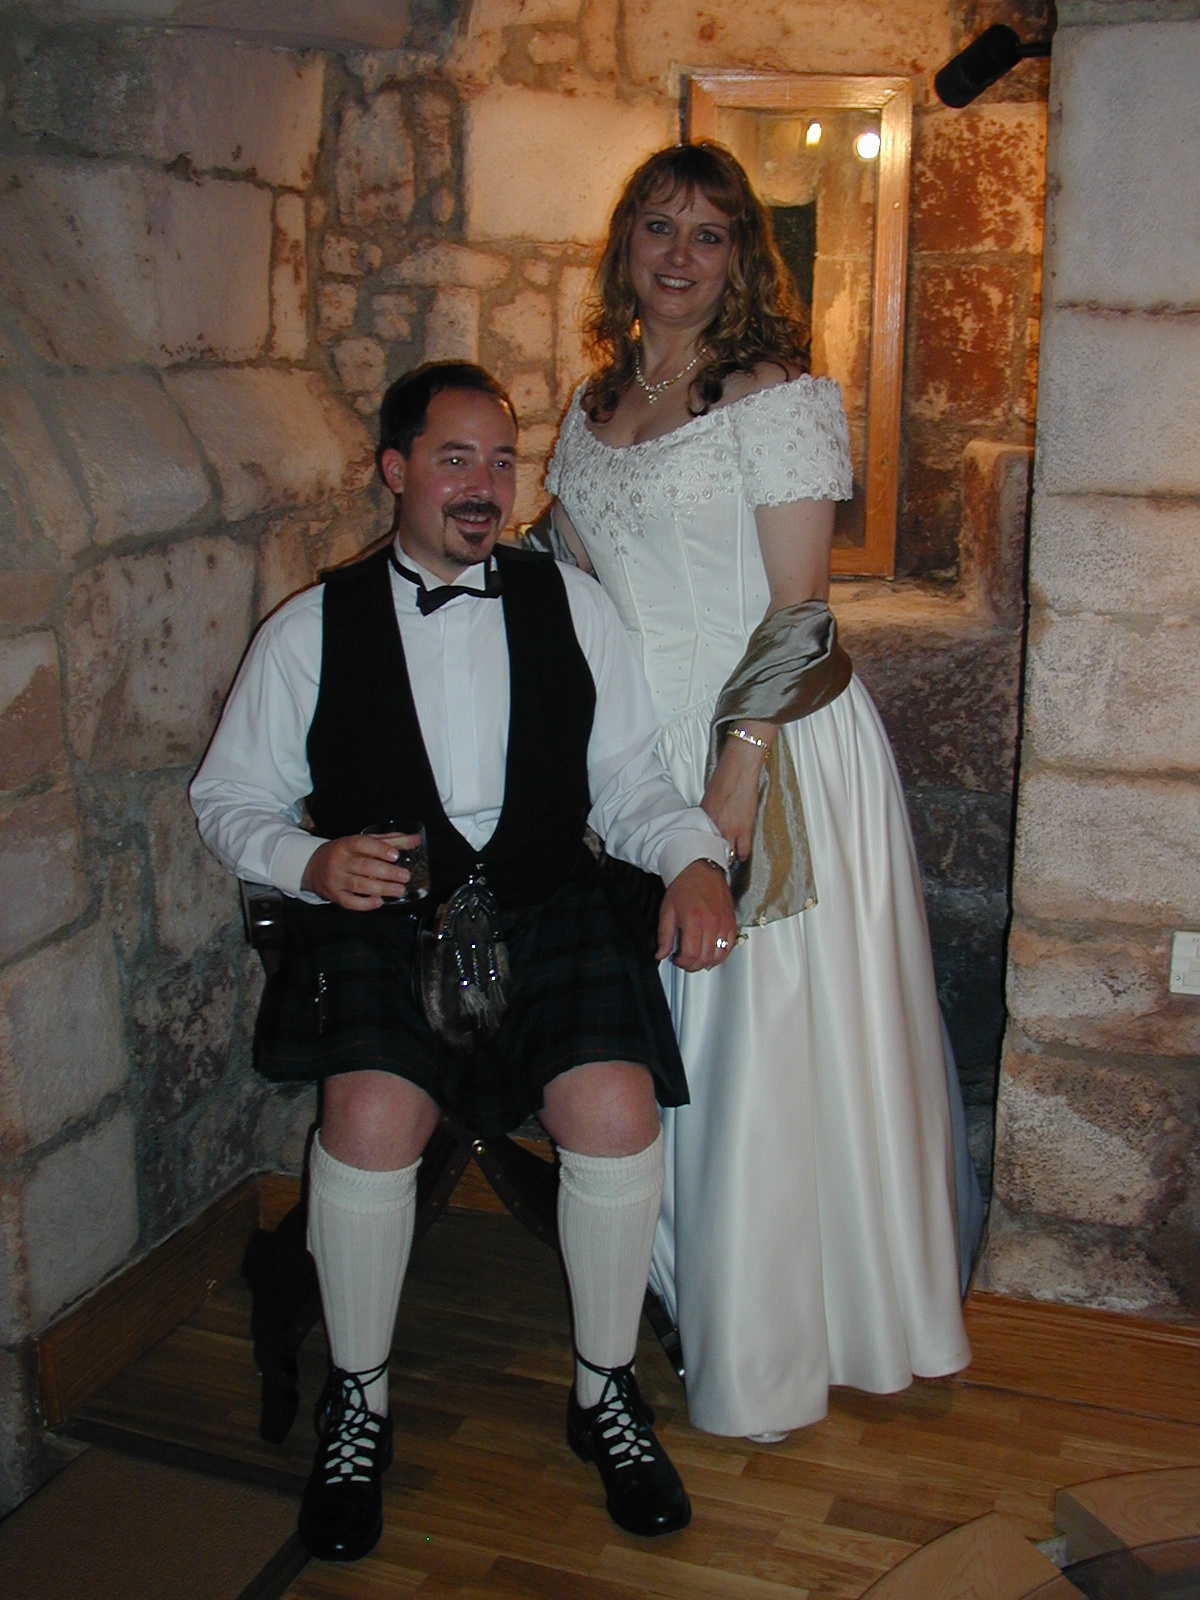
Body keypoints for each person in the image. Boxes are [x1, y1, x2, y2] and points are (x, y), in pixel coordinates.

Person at [190, 361, 739, 1561]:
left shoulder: (573, 606)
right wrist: (308, 857)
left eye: (500, 460)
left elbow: (629, 780)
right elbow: (226, 798)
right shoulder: (310, 628)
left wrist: (695, 858)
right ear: (395, 470)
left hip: (545, 906)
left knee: (615, 1109)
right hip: (389, 915)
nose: (484, 485)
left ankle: (603, 1391)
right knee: (370, 1119)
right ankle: (360, 1403)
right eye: (455, 459)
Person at [543, 142, 981, 1442]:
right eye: (658, 227)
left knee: (761, 1047)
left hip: (774, 745)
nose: (679, 255)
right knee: (677, 1036)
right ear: (624, 246)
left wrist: (731, 785)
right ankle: (681, 1291)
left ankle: (786, 1333)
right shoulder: (593, 405)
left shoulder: (774, 395)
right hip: (642, 763)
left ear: (744, 258)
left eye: (710, 233)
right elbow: (572, 589)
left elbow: (799, 614)